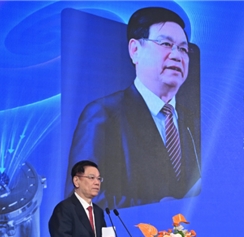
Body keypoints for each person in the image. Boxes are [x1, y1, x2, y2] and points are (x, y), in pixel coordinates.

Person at [68, 6, 201, 210]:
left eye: (183, 49)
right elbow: (80, 198)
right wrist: (155, 209)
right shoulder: (103, 115)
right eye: (166, 44)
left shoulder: (194, 121)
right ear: (135, 50)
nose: (177, 55)